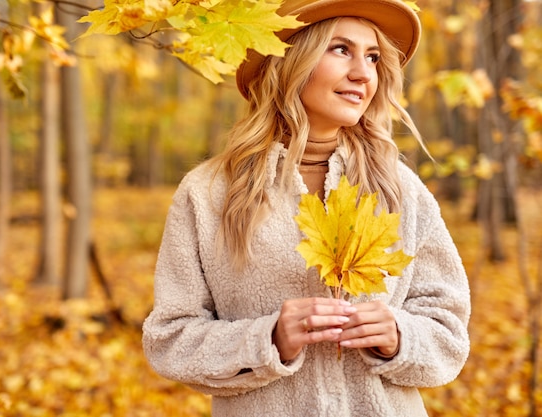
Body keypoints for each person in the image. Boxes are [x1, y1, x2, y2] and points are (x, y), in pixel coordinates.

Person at [142, 0, 471, 415]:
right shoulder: (208, 194)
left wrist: (399, 335)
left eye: (372, 57)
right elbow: (169, 340)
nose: (362, 73)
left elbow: (449, 334)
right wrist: (269, 339)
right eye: (340, 50)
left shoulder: (401, 190)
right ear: (291, 58)